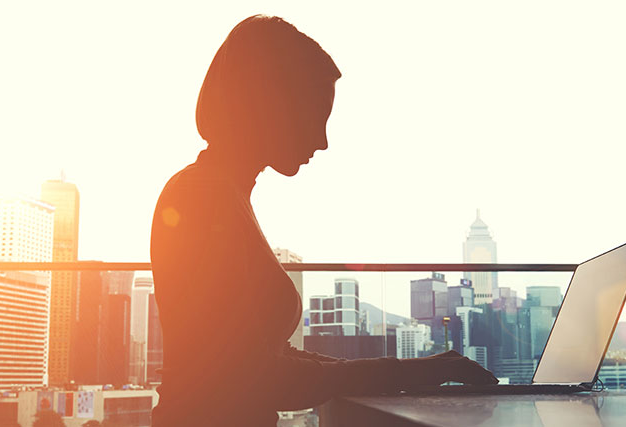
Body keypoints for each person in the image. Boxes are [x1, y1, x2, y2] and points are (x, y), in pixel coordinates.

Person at [150, 15, 498, 426]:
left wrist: (410, 371)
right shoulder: (203, 198)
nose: (322, 140)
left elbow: (265, 358)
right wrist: (417, 372)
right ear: (270, 104)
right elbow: (259, 377)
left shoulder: (218, 194)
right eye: (316, 115)